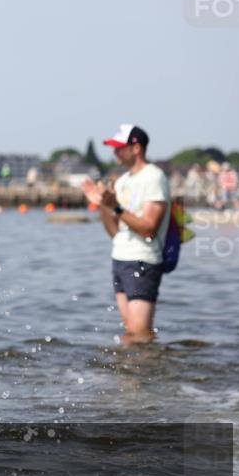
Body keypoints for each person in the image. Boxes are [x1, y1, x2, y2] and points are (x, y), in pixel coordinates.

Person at [82, 125, 169, 345]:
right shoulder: (122, 181)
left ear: (136, 148)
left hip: (143, 259)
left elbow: (149, 228)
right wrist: (103, 205)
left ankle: (146, 374)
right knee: (130, 332)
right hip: (120, 258)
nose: (115, 153)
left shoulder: (154, 177)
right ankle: (129, 377)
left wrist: (117, 207)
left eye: (120, 148)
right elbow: (115, 232)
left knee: (139, 332)